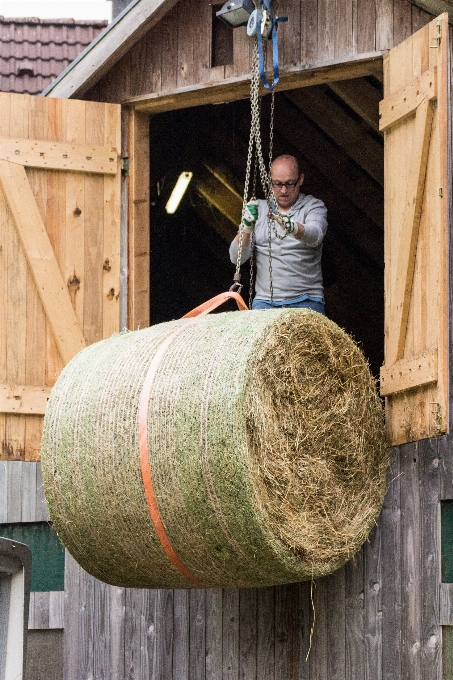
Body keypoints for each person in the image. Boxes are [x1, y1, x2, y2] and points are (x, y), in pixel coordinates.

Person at [229, 154, 328, 314]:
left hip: (307, 300)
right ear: (270, 179)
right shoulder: (258, 209)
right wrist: (246, 228)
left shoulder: (313, 206)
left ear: (300, 179)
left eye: (289, 184)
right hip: (265, 302)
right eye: (277, 184)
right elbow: (236, 257)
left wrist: (293, 227)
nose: (283, 190)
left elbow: (315, 235)